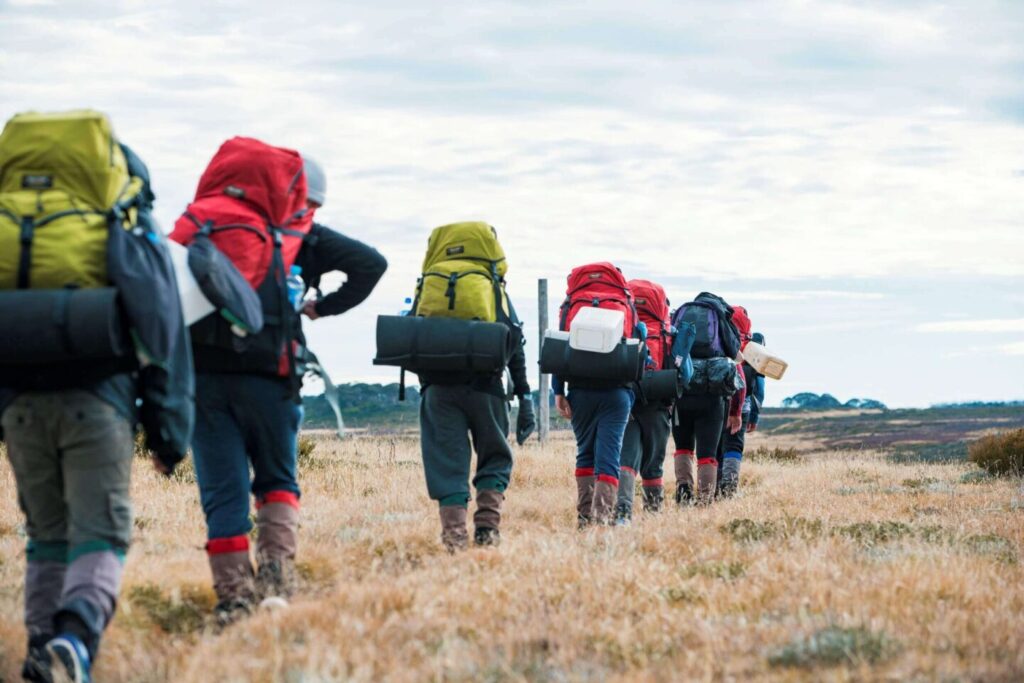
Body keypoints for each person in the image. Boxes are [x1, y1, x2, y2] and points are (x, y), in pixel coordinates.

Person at [0, 111, 193, 683]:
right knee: (100, 533)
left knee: (47, 536)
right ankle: (75, 640)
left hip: (18, 407)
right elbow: (160, 332)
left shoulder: (10, 220)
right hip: (97, 400)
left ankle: (42, 651)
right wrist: (167, 434)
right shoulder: (122, 221)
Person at [170, 144, 386, 622]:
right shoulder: (300, 234)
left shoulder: (200, 223)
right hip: (274, 377)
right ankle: (277, 583)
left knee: (223, 493)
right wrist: (320, 308)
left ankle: (233, 599)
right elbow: (372, 264)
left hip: (203, 383)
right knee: (277, 482)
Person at [412, 221, 534, 552]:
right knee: (495, 455)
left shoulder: (429, 285)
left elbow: (412, 335)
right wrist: (525, 397)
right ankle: (487, 529)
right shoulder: (493, 289)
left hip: (438, 389)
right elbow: (515, 342)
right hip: (487, 387)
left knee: (446, 462)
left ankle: (454, 539)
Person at [555, 263, 639, 527]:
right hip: (617, 393)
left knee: (585, 453)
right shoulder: (625, 302)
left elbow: (558, 349)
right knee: (609, 455)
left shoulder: (571, 304)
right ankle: (602, 519)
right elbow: (640, 344)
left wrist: (558, 391)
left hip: (580, 391)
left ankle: (584, 519)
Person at [670, 292, 743, 505]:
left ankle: (683, 492)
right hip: (712, 396)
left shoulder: (682, 314)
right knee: (707, 453)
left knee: (683, 446)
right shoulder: (720, 316)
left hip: (682, 392)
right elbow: (736, 355)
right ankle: (705, 500)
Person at [616, 279, 675, 522]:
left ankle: (622, 513)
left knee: (626, 460)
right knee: (653, 465)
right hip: (658, 404)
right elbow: (684, 373)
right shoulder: (668, 332)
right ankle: (653, 515)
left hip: (627, 400)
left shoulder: (622, 325)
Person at [716, 306, 753, 498]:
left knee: (715, 445)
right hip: (742, 404)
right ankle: (729, 489)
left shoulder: (717, 338)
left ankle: (713, 488)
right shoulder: (751, 347)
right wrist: (754, 416)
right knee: (734, 445)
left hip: (717, 401)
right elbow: (758, 386)